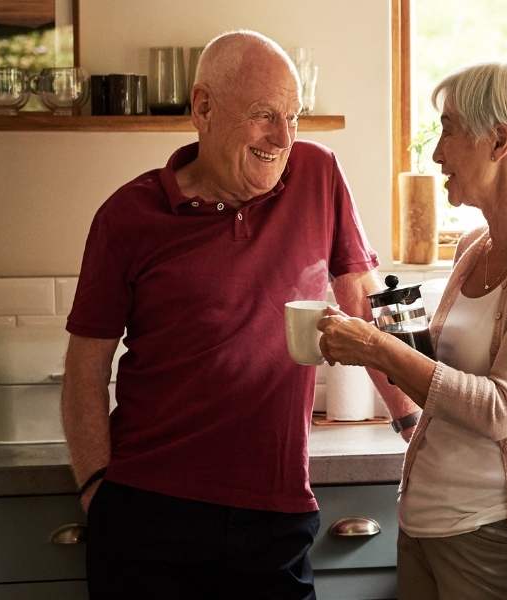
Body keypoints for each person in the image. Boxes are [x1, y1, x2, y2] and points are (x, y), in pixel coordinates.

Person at [60, 30, 419, 600]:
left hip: (273, 511)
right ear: (202, 107)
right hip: (149, 512)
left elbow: (361, 300)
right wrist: (96, 486)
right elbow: (85, 365)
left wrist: (411, 424)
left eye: (293, 117)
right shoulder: (128, 216)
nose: (283, 137)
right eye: (264, 116)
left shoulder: (317, 175)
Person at [317, 62, 507, 600]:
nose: (436, 153)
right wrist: (380, 343)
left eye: (448, 129)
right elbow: (442, 380)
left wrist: (376, 347)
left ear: (499, 141)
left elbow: (502, 408)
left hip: (494, 537)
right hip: (425, 523)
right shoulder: (475, 248)